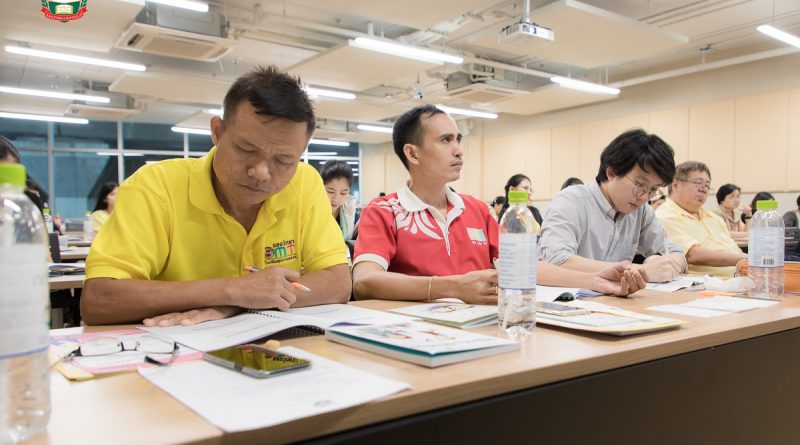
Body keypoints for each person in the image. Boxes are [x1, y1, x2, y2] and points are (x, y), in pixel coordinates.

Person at [82, 66, 351, 326]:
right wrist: (232, 290)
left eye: (283, 160)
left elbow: (339, 282)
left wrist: (240, 303)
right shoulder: (155, 186)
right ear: (217, 131)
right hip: (175, 346)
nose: (261, 172)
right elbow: (99, 299)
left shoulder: (304, 182)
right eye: (246, 149)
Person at [352, 105, 645, 303]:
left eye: (458, 139)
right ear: (413, 154)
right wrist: (451, 287)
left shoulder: (476, 210)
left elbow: (525, 266)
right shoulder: (384, 211)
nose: (459, 150)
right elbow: (364, 282)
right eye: (446, 140)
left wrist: (593, 280)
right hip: (417, 336)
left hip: (482, 330)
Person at [539, 129, 687, 283]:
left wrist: (667, 264)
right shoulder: (571, 201)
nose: (644, 197)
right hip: (565, 294)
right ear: (612, 173)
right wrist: (639, 271)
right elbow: (557, 261)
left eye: (653, 190)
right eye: (639, 184)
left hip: (612, 296)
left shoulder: (641, 211)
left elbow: (674, 252)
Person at [655, 161, 746, 277]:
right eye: (698, 183)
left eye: (707, 185)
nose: (704, 189)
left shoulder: (713, 218)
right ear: (676, 185)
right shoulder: (666, 216)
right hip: (708, 283)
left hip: (743, 277)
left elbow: (734, 249)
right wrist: (748, 259)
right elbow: (692, 255)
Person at [320, 160, 360, 241]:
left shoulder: (354, 211)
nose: (336, 198)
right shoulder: (310, 210)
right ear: (321, 187)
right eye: (331, 192)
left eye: (343, 193)